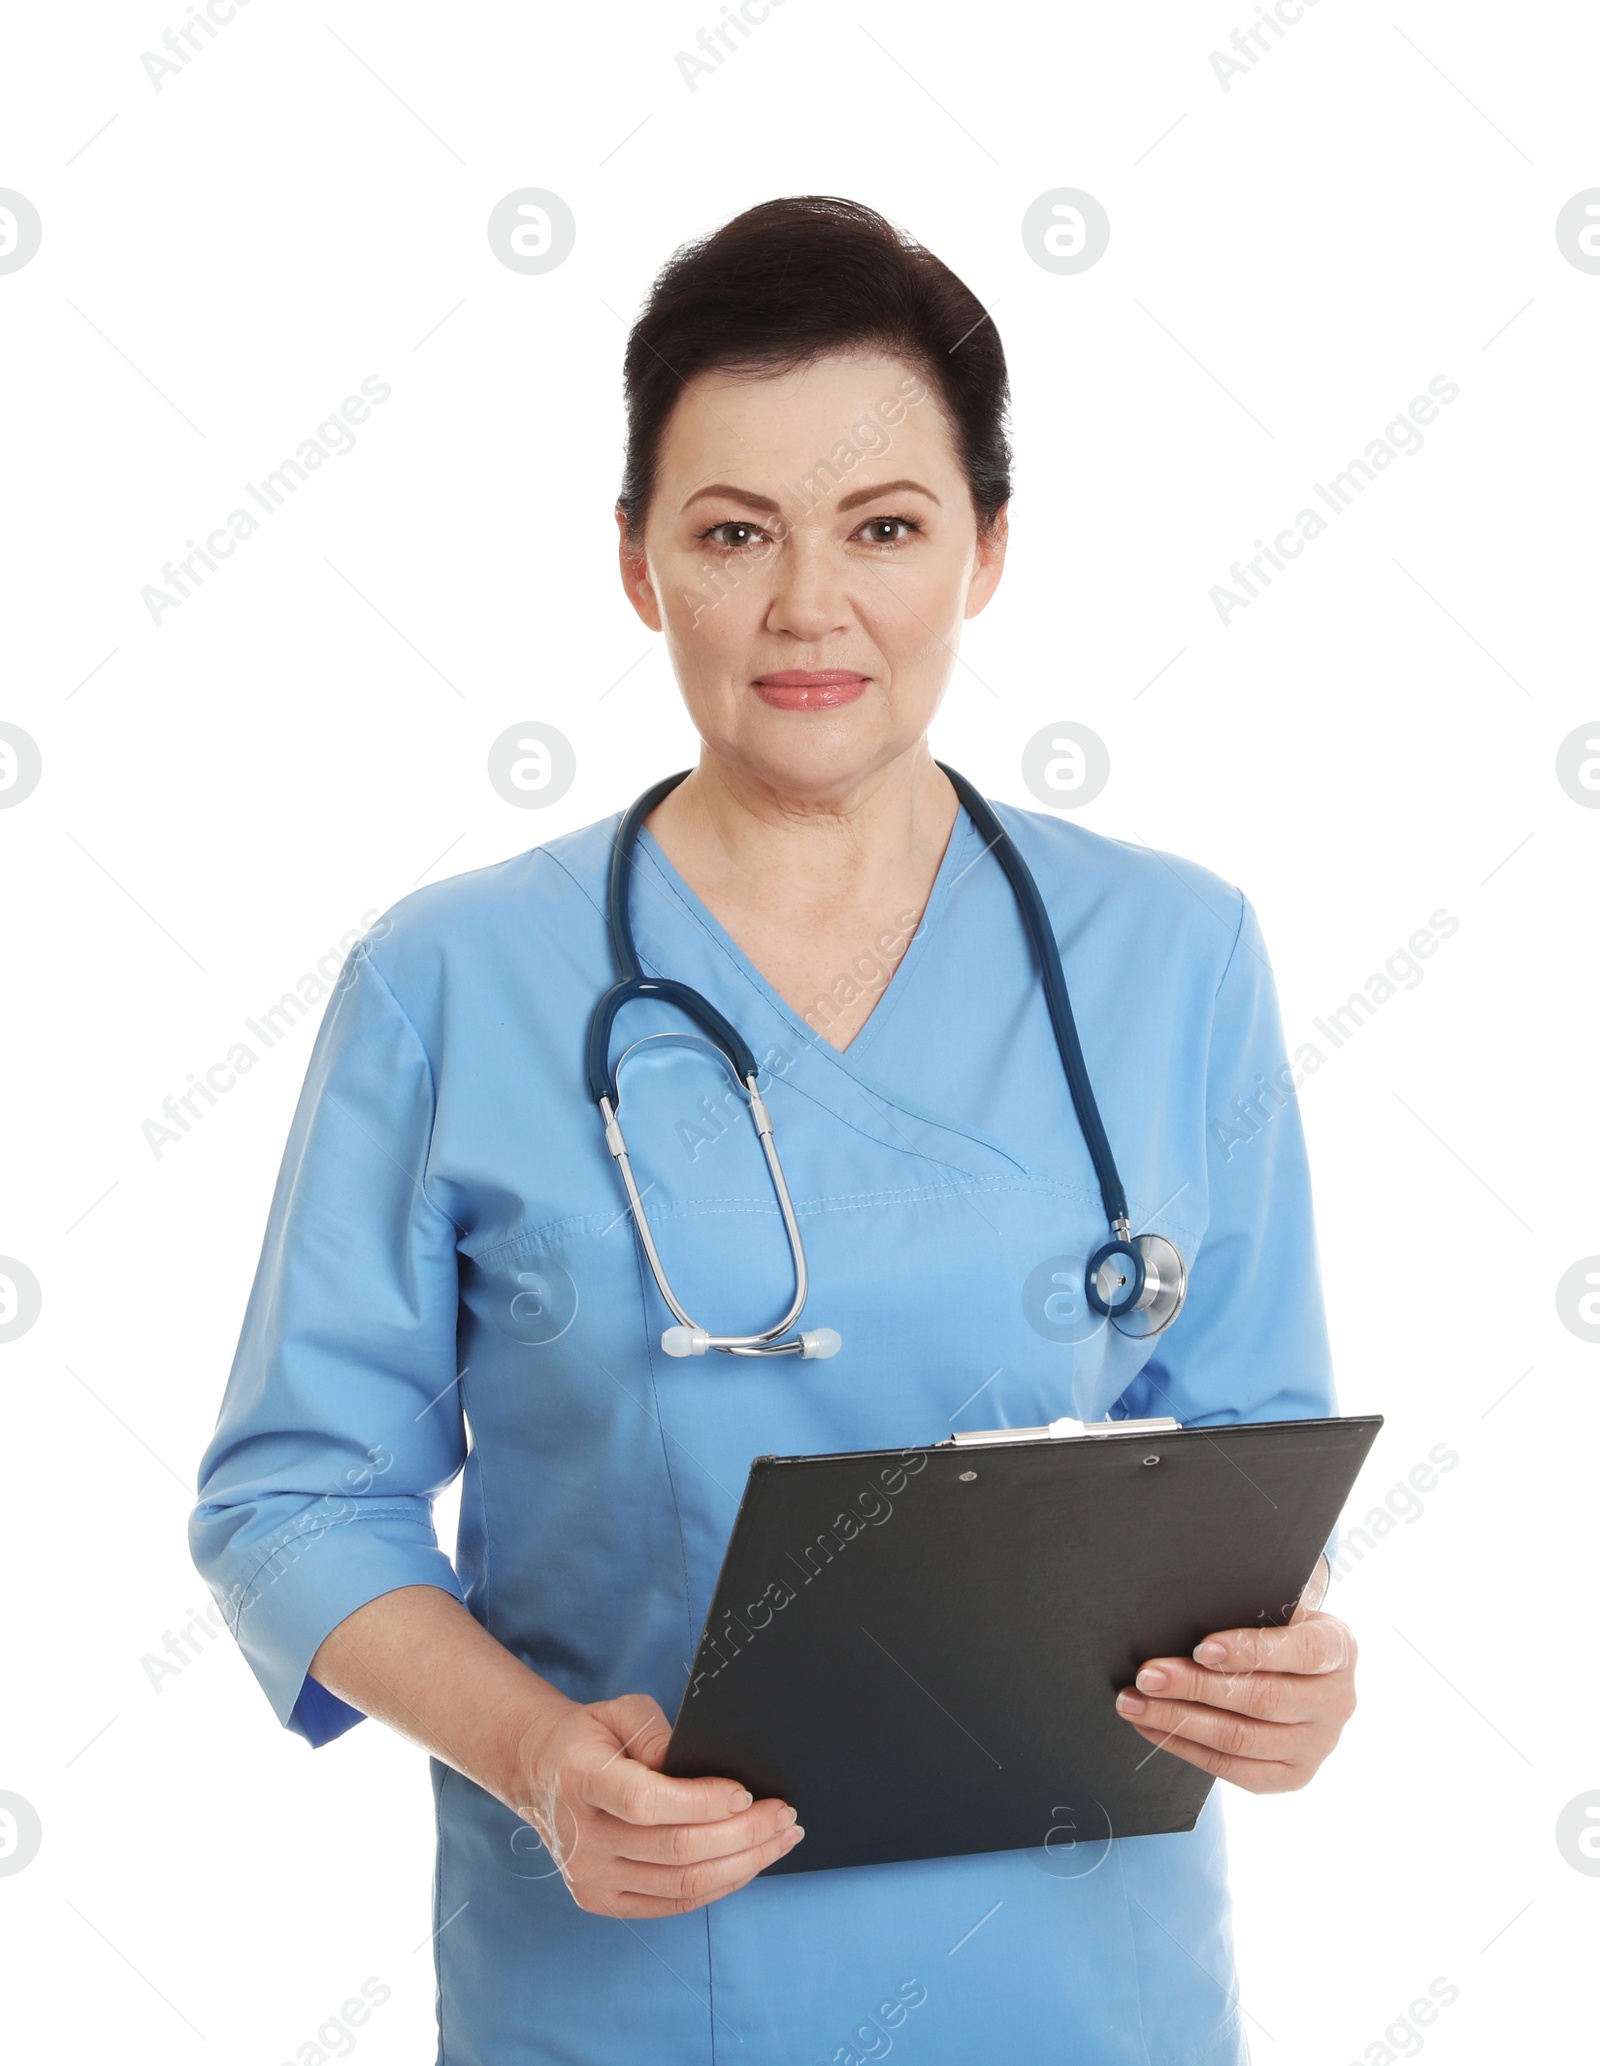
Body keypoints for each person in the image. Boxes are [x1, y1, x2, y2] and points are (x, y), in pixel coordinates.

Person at [191, 194, 1356, 2065]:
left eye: (884, 527)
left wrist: (1289, 1675)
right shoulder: (452, 982)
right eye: (735, 533)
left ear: (986, 550)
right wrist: (539, 1757)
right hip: (642, 1972)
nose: (811, 607)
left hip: (1088, 1987)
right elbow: (288, 1502)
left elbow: (1238, 1469)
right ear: (639, 562)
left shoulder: (1175, 951)